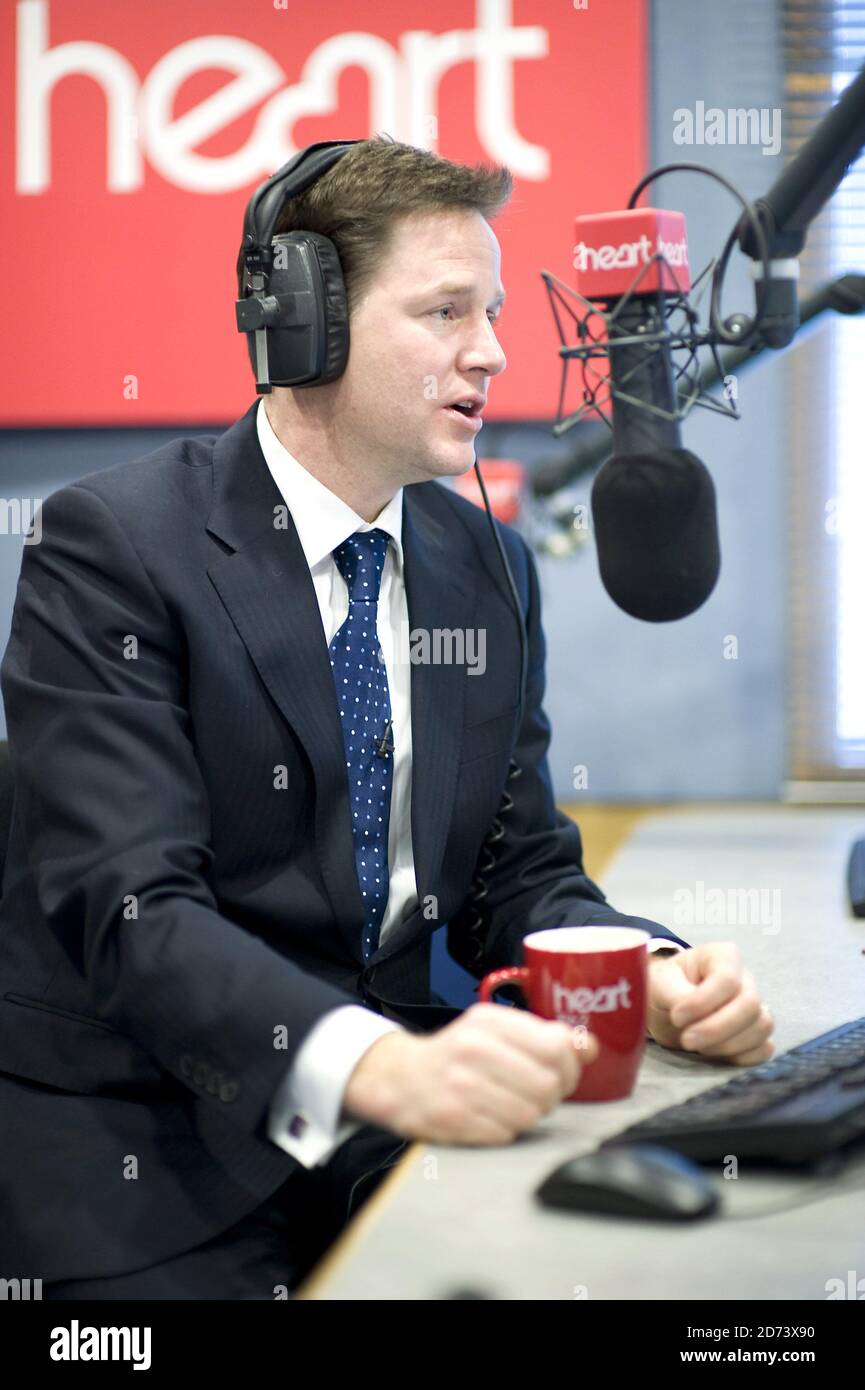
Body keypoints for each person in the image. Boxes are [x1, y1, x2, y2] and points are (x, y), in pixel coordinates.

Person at [0, 136, 774, 1300]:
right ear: (304, 322)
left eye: (496, 309)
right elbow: (135, 910)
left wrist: (642, 969)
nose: (494, 350)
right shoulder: (113, 549)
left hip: (392, 1116)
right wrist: (372, 1066)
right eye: (445, 311)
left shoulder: (489, 564)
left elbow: (518, 878)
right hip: (145, 1143)